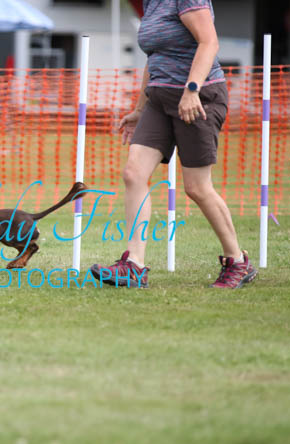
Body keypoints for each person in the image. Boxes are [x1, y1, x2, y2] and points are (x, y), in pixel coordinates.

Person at [90, 0, 257, 289]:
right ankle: (134, 265)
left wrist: (192, 90)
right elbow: (155, 57)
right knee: (134, 174)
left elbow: (209, 42)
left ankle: (237, 261)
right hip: (159, 98)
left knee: (197, 187)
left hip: (199, 97)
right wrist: (140, 108)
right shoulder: (151, 3)